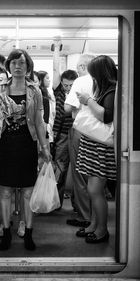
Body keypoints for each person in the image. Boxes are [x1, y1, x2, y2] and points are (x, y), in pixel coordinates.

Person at [0, 49, 51, 251]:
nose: (18, 66)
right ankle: (7, 233)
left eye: (22, 63)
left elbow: (38, 122)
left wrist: (45, 148)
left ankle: (28, 233)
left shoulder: (34, 90)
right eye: (14, 63)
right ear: (8, 66)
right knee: (5, 191)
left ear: (28, 67)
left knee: (28, 192)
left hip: (27, 144)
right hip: (6, 145)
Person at [75, 55, 117, 243]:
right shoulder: (103, 88)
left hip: (100, 148)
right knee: (93, 189)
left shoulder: (112, 91)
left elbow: (105, 116)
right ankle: (93, 224)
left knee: (95, 189)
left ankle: (102, 229)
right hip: (93, 145)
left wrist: (88, 101)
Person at [64, 54, 95, 228]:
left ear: (83, 67)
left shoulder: (80, 81)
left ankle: (84, 216)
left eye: (78, 66)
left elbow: (68, 107)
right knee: (94, 176)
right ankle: (95, 215)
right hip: (99, 133)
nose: (76, 69)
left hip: (81, 130)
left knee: (80, 175)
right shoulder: (101, 81)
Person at [52, 40, 78, 208]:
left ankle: (78, 205)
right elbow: (56, 69)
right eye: (65, 84)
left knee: (78, 170)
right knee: (60, 168)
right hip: (62, 134)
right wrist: (56, 48)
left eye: (70, 85)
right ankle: (56, 202)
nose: (67, 88)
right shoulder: (59, 91)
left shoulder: (79, 91)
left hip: (76, 132)